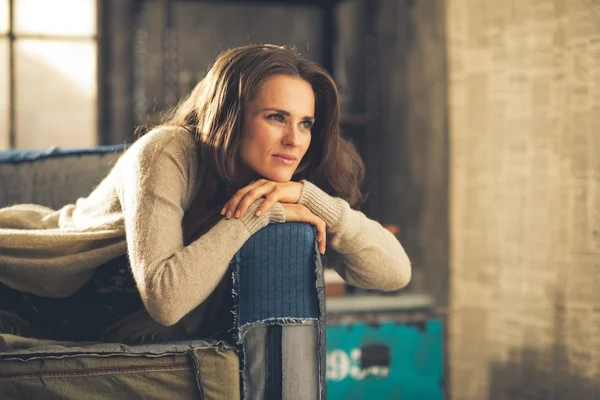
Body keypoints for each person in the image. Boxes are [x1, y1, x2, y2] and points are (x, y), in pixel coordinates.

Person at [0, 44, 411, 344]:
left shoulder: (286, 186)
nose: (294, 139)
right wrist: (258, 214)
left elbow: (395, 273)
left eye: (305, 123)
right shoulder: (165, 151)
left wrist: (310, 197)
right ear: (229, 117)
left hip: (82, 327)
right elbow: (166, 298)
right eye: (275, 117)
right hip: (22, 284)